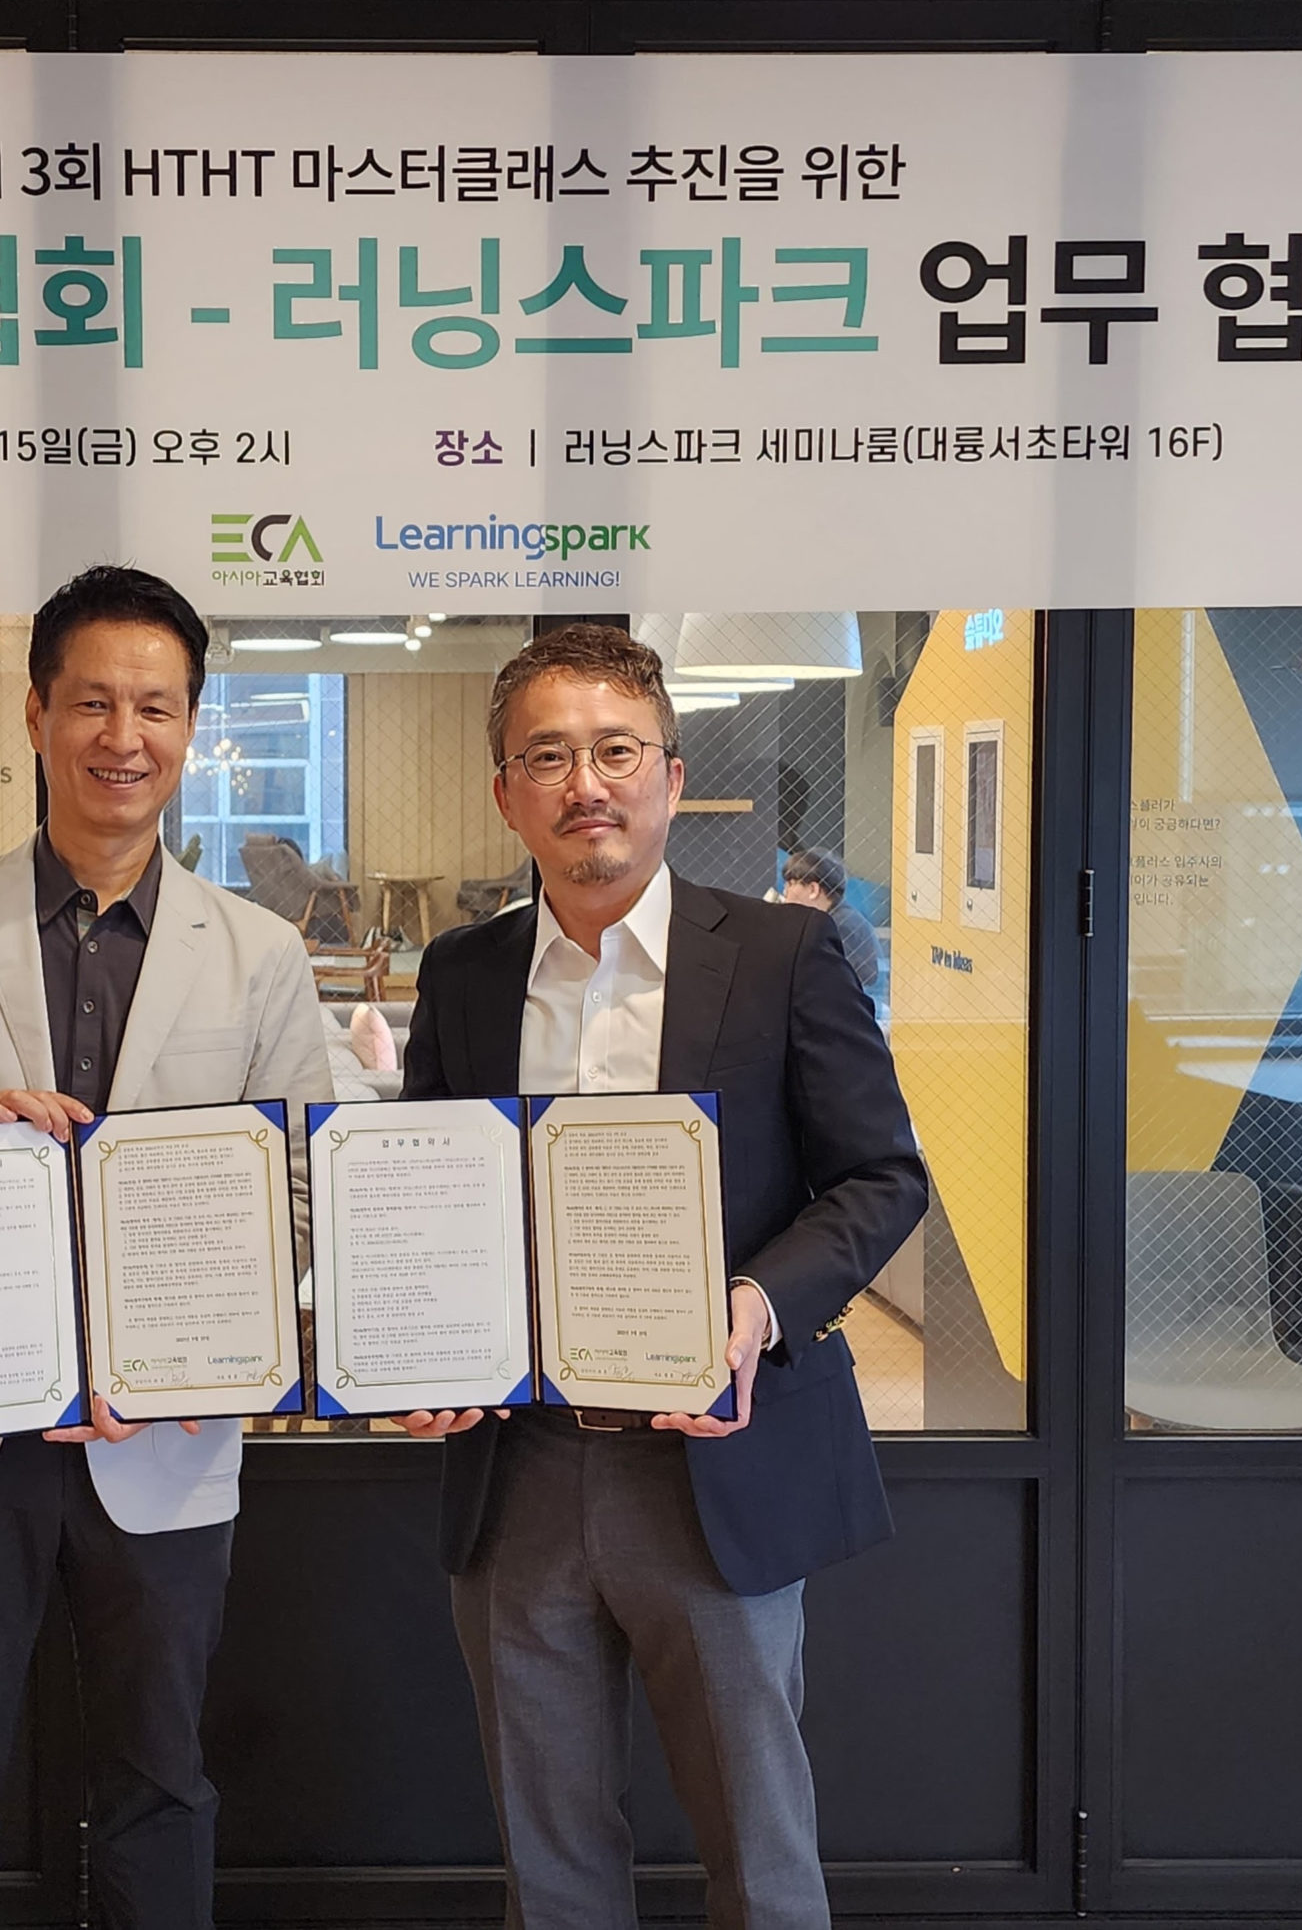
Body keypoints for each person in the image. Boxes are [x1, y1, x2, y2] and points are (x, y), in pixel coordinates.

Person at [0, 565, 335, 1930]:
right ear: (36, 714)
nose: (123, 735)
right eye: (92, 701)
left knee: (161, 1781)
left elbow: (300, 1187)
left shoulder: (260, 953)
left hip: (164, 1436)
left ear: (192, 727)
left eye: (155, 706)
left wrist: (189, 1352)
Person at [399, 625, 928, 1930]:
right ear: (506, 793)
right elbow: (425, 1192)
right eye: (547, 756)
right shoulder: (465, 975)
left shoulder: (783, 955)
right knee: (550, 1856)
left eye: (616, 750)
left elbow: (880, 1178)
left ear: (672, 777)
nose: (586, 782)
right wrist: (418, 1337)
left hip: (714, 1462)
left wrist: (755, 1306)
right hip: (519, 1467)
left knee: (759, 1849)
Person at [775, 846, 881, 991]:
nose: (785, 891)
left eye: (791, 884)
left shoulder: (840, 925)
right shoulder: (834, 918)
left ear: (813, 889)